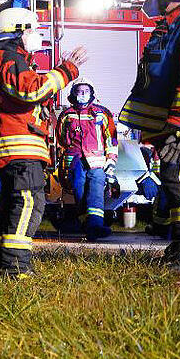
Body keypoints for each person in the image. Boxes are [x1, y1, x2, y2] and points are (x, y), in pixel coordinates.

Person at [0, 7, 86, 276]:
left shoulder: (6, 58)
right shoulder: (8, 57)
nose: (35, 35)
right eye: (31, 30)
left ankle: (3, 265)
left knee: (12, 205)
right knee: (28, 202)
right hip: (19, 146)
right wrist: (64, 72)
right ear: (18, 31)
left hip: (14, 146)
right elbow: (31, 90)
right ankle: (15, 268)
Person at [120, 0, 180, 270]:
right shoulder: (168, 26)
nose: (148, 2)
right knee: (173, 181)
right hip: (168, 126)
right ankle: (179, 244)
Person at [55, 79, 118, 241]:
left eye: (85, 91)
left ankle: (95, 224)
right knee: (79, 191)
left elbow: (111, 140)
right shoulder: (66, 115)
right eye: (79, 91)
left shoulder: (102, 114)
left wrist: (110, 165)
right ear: (73, 94)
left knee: (95, 190)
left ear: (91, 93)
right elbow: (62, 139)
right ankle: (87, 224)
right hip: (75, 161)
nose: (82, 95)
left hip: (97, 162)